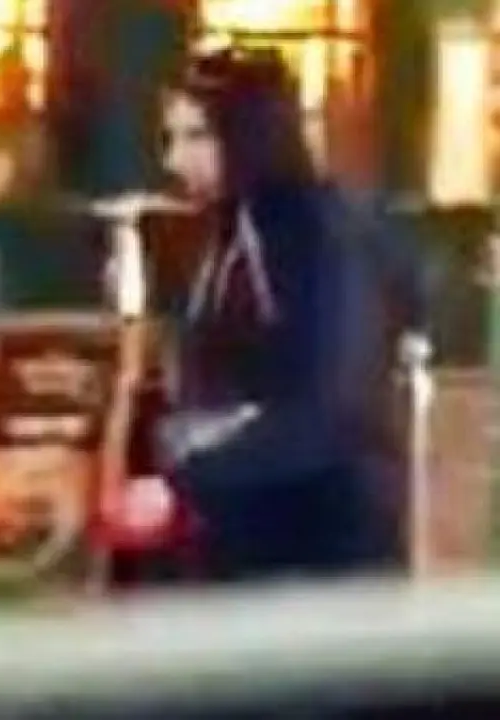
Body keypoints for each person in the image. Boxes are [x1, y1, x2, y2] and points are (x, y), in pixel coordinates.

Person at [116, 48, 414, 582]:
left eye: (196, 137)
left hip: (320, 546)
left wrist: (189, 481)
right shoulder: (228, 228)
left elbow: (330, 408)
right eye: (170, 139)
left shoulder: (316, 236)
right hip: (248, 533)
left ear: (248, 136)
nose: (175, 161)